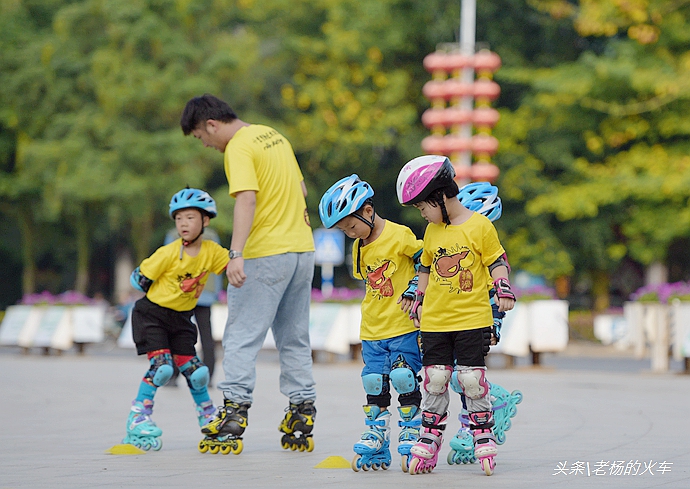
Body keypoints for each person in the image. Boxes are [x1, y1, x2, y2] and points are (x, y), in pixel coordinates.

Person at [180, 94, 317, 454]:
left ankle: (233, 414)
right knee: (294, 336)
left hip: (265, 253)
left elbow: (246, 199)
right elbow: (300, 189)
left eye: (200, 137)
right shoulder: (273, 136)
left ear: (211, 124)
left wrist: (236, 253)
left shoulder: (238, 147)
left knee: (241, 335)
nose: (205, 144)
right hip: (302, 250)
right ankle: (302, 410)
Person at [395, 155, 516, 476]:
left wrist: (503, 287)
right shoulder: (433, 231)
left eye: (423, 206)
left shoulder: (480, 226)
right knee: (435, 380)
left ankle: (482, 434)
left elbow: (496, 261)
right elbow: (424, 268)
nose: (422, 213)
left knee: (471, 380)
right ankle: (430, 437)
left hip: (472, 320)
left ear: (441, 197)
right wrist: (418, 299)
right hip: (435, 322)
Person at [318, 174, 423, 473]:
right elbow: (369, 283)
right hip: (372, 329)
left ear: (367, 210)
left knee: (404, 377)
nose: (350, 233)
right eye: (343, 230)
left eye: (351, 226)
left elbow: (425, 261)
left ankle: (411, 429)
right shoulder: (359, 247)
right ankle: (377, 436)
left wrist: (415, 288)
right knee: (373, 382)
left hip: (403, 326)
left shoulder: (399, 234)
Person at [122, 188, 229, 451]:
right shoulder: (168, 252)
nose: (183, 223)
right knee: (162, 368)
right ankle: (138, 417)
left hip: (182, 319)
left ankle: (208, 418)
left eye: (190, 218)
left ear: (205, 220)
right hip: (152, 315)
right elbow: (137, 279)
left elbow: (234, 267)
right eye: (179, 218)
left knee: (198, 372)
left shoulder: (212, 251)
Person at [446, 181, 523, 465]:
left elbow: (497, 294)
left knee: (464, 375)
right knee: (450, 373)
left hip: (478, 322)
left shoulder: (491, 253)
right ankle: (492, 404)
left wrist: (495, 323)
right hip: (453, 321)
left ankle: (475, 421)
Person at [163, 227, 223, 387]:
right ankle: (208, 376)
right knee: (205, 335)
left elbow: (167, 264)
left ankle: (173, 375)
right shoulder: (211, 235)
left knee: (177, 334)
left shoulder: (173, 235)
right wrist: (216, 293)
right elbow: (218, 267)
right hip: (204, 292)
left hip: (183, 292)